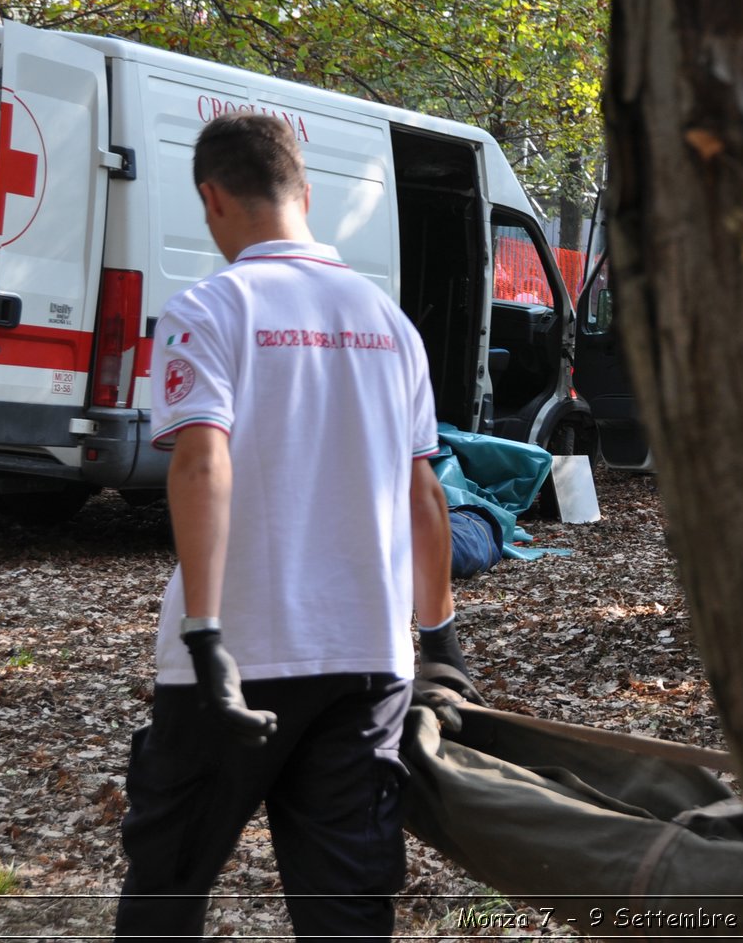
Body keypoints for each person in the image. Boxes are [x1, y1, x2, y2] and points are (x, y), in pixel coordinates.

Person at [114, 113, 471, 940]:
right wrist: (441, 638)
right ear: (303, 192)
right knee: (347, 909)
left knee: (168, 888)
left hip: (235, 659)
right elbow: (425, 496)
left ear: (211, 198)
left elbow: (201, 463)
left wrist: (205, 634)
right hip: (367, 661)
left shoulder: (209, 308)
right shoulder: (391, 324)